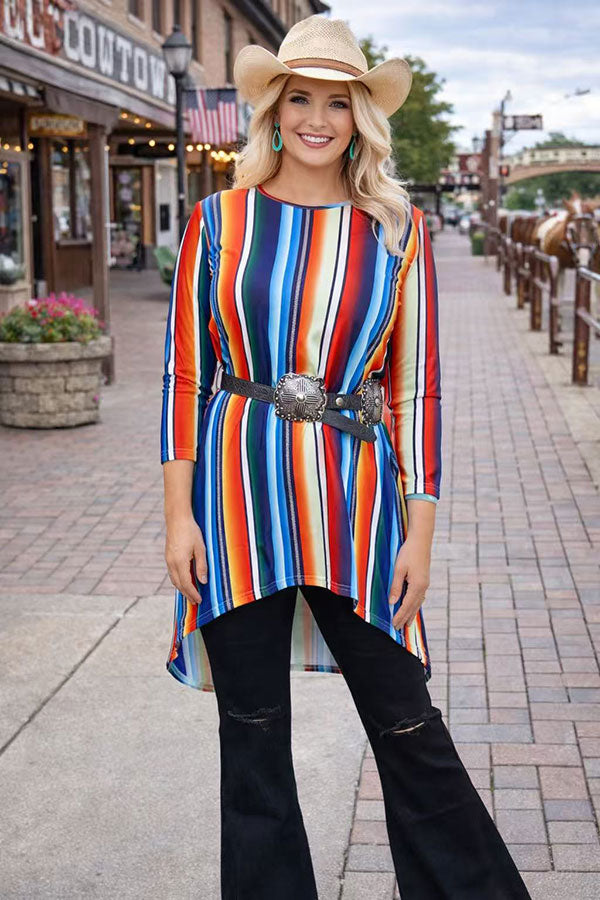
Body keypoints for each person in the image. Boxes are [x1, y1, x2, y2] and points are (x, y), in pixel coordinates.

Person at [160, 14, 532, 900]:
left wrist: (420, 533)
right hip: (235, 503)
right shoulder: (218, 222)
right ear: (274, 111)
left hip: (357, 505)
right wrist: (178, 516)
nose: (317, 119)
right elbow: (184, 376)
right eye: (300, 99)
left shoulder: (396, 230)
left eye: (338, 103)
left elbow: (417, 390)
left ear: (361, 117)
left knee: (408, 723)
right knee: (252, 736)